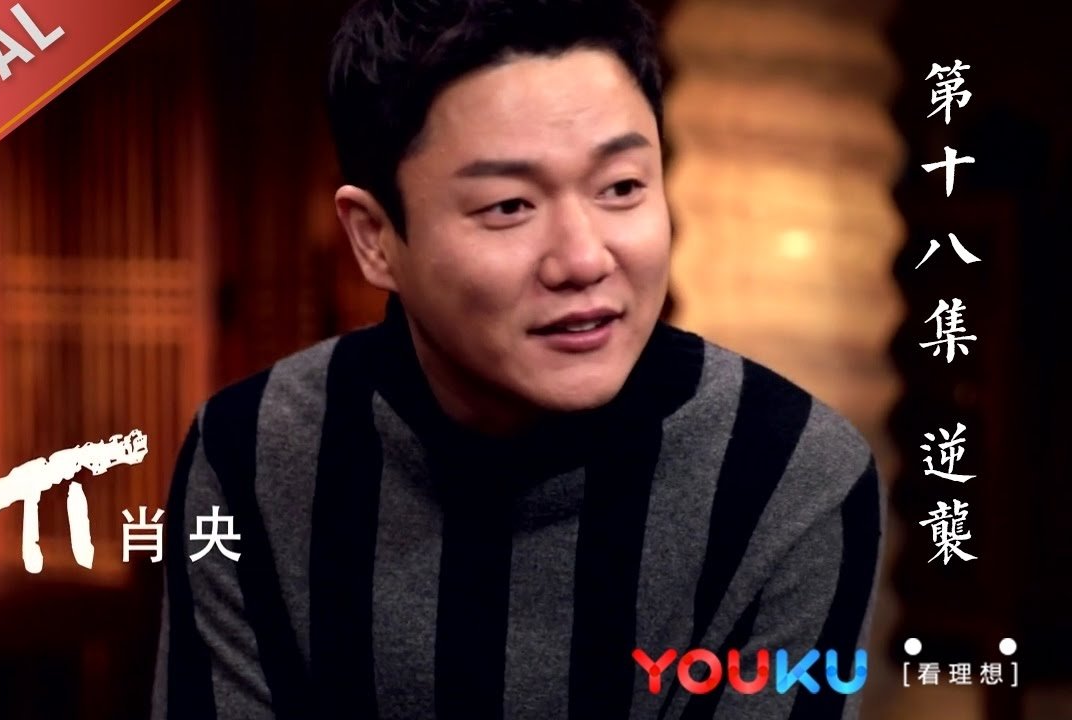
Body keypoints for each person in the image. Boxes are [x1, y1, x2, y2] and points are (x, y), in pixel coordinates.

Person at [151, 0, 883, 717]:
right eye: (508, 206)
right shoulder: (251, 453)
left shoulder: (788, 475)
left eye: (622, 187)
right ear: (375, 238)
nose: (584, 259)